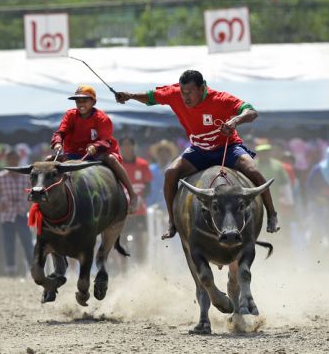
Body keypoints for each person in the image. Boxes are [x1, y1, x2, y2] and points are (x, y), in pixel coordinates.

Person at [114, 70, 279, 239]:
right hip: (199, 150)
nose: (185, 97)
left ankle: (272, 214)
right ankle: (172, 222)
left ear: (202, 88)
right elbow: (150, 97)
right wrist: (129, 95)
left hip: (228, 148)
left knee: (254, 171)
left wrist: (234, 121)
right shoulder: (175, 93)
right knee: (171, 172)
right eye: (183, 92)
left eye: (189, 93)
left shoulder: (220, 99)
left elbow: (251, 112)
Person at [50, 84, 138, 212]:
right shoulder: (70, 115)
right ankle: (43, 195)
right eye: (78, 101)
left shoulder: (102, 118)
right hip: (73, 153)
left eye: (84, 100)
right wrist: (57, 143)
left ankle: (132, 194)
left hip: (97, 153)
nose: (81, 104)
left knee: (112, 160)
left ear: (93, 102)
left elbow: (105, 140)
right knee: (48, 160)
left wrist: (95, 146)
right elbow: (60, 133)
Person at [0, 149, 33, 276]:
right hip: (7, 214)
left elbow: (34, 191)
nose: (12, 161)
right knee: (9, 244)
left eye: (14, 159)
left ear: (18, 160)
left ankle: (32, 269)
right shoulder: (0, 177)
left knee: (27, 242)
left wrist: (30, 204)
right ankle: (10, 270)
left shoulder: (26, 176)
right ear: (7, 161)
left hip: (22, 212)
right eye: (10, 159)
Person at [120, 136, 153, 265]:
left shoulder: (142, 164)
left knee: (140, 238)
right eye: (124, 145)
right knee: (122, 240)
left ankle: (141, 267)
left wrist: (140, 198)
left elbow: (148, 186)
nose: (127, 148)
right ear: (121, 147)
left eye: (129, 145)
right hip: (123, 210)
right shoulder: (118, 164)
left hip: (139, 209)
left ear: (134, 146)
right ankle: (123, 270)